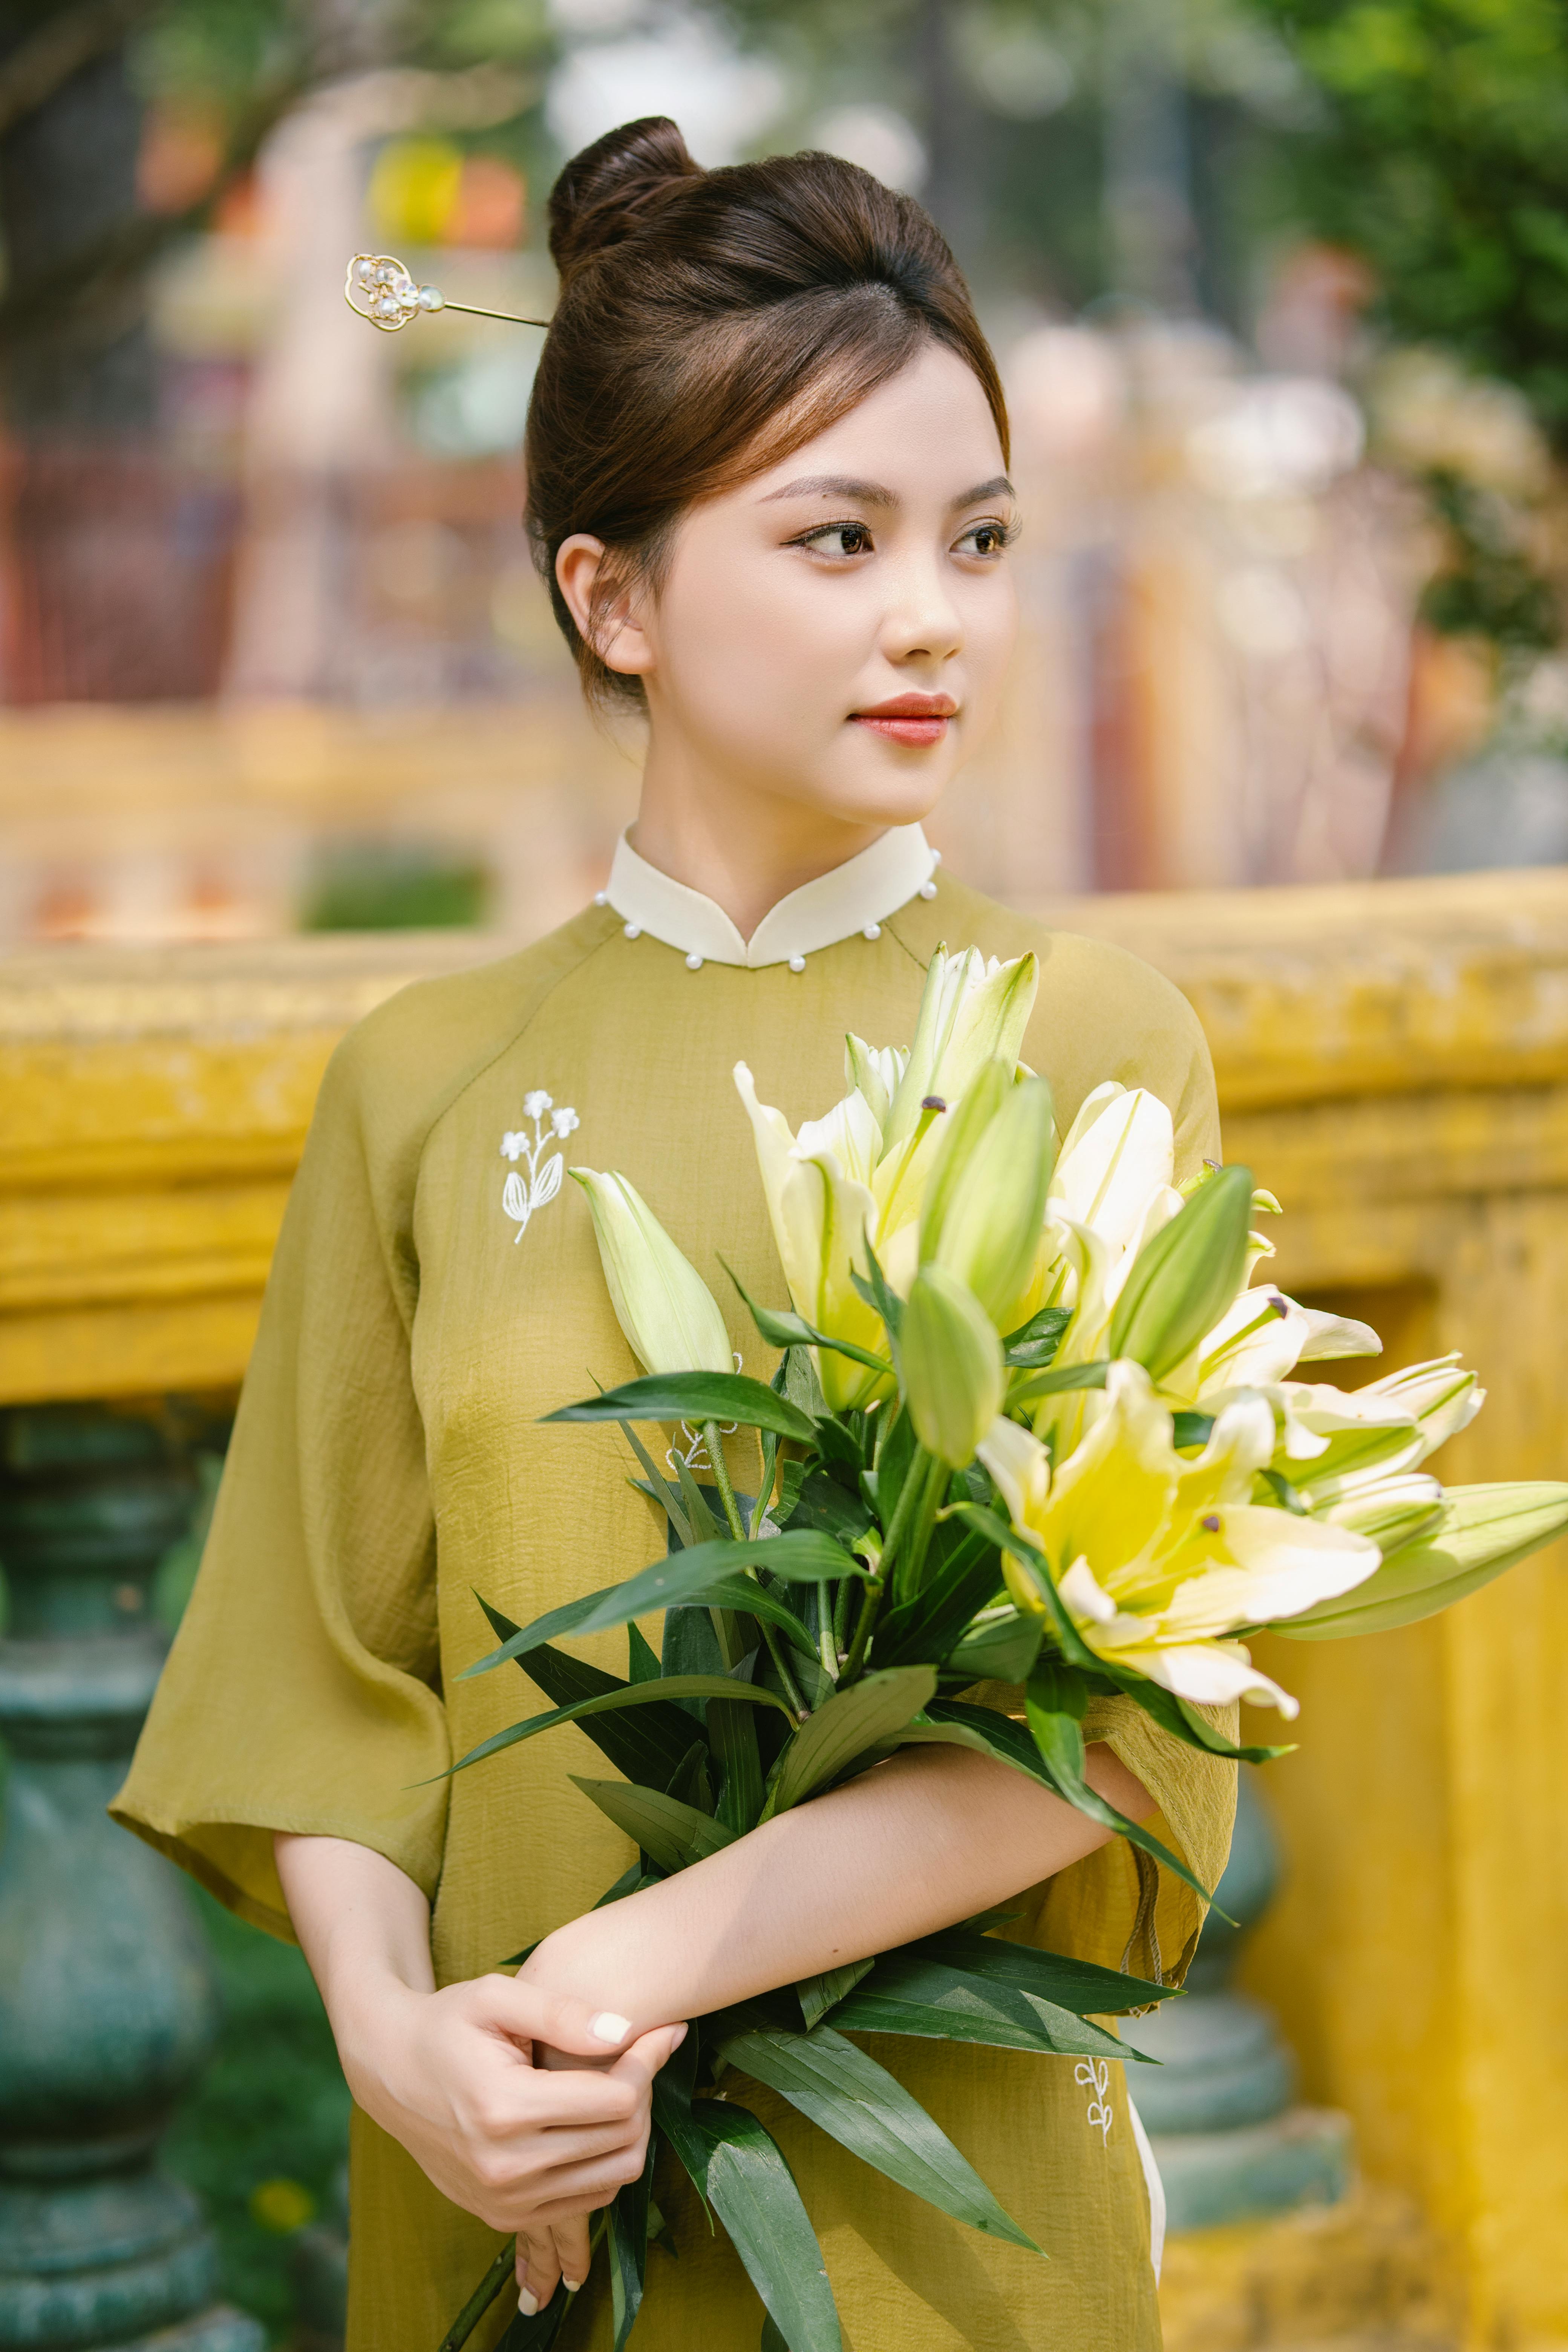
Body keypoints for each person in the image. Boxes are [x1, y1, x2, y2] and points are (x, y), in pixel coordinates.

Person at [115, 118, 1234, 2351]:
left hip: (954, 2238)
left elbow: (1119, 1717)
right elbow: (320, 1682)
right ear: (608, 596)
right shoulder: (426, 1083)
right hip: (508, 2193)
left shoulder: (1087, 1044)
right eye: (838, 537)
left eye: (980, 537)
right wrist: (403, 2051)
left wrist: (626, 1964)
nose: (935, 615)